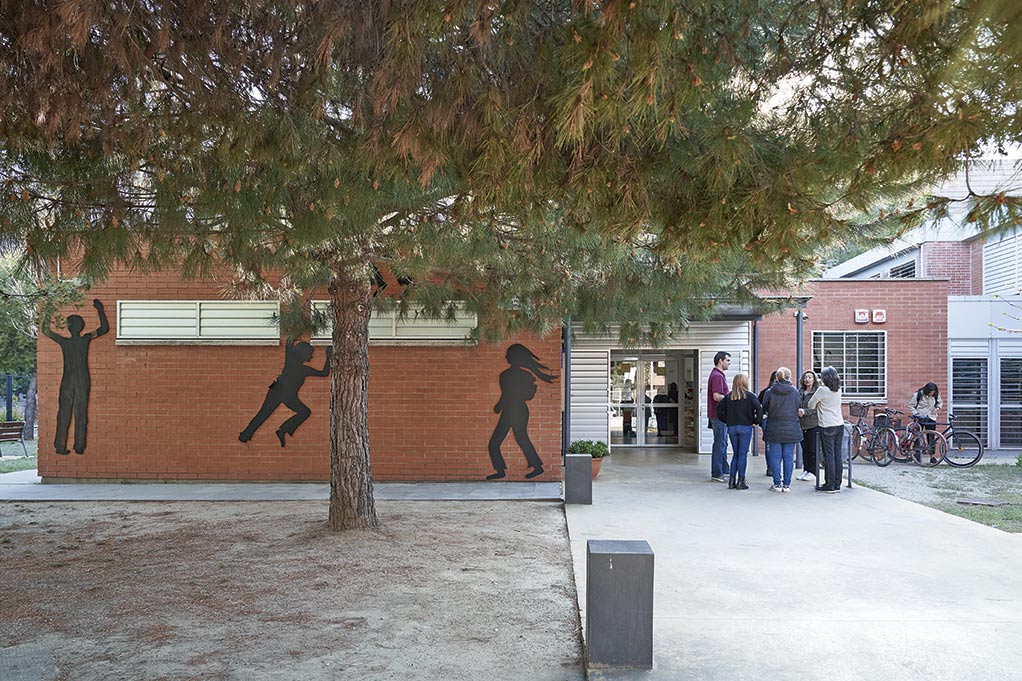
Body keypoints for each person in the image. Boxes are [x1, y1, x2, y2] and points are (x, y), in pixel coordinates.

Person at [43, 299, 109, 455]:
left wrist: (48, 309)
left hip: (68, 379)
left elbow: (46, 330)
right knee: (80, 412)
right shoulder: (85, 338)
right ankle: (79, 445)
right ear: (81, 327)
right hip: (82, 379)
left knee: (64, 412)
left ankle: (60, 446)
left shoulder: (64, 341)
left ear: (68, 327)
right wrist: (99, 309)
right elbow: (104, 328)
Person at [239, 338, 332, 446]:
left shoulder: (294, 363)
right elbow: (324, 373)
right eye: (310, 354)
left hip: (280, 391)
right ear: (303, 354)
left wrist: (296, 335)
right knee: (266, 414)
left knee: (264, 414)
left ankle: (280, 431)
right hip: (281, 392)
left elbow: (289, 343)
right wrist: (328, 355)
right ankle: (252, 434)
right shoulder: (301, 367)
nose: (312, 357)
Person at [486, 344, 555, 480]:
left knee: (513, 440)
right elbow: (506, 394)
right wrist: (500, 406)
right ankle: (533, 467)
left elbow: (506, 394)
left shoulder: (506, 375)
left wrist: (499, 406)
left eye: (508, 354)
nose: (506, 356)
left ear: (514, 357)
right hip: (514, 409)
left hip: (514, 410)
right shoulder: (520, 375)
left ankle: (505, 470)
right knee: (515, 440)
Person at [715, 373, 762, 490]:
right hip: (745, 427)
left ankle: (731, 481)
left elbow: (718, 409)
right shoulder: (750, 396)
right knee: (742, 454)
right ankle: (741, 481)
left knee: (735, 454)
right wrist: (755, 422)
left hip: (732, 427)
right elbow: (759, 410)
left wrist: (726, 420)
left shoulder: (729, 397)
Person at [761, 366, 801, 493]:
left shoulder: (769, 392)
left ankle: (777, 484)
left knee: (775, 456)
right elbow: (798, 406)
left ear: (777, 377)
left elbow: (765, 407)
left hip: (774, 427)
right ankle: (787, 485)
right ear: (789, 377)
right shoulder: (795, 392)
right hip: (791, 428)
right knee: (789, 457)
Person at [809, 366, 844, 493]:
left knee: (828, 455)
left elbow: (810, 405)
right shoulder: (838, 389)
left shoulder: (822, 390)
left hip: (827, 425)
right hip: (839, 424)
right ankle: (837, 483)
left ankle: (829, 484)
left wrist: (819, 404)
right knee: (837, 455)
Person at [707, 351, 731, 482]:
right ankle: (717, 473)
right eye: (727, 360)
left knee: (723, 442)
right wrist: (730, 399)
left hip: (719, 415)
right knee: (720, 443)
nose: (729, 363)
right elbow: (716, 396)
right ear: (720, 361)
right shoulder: (717, 376)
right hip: (718, 416)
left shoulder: (718, 375)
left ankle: (725, 470)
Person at [908, 381, 943, 463]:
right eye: (931, 392)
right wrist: (916, 414)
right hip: (920, 417)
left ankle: (932, 456)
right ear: (927, 391)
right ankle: (917, 455)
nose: (932, 394)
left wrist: (937, 408)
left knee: (931, 437)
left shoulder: (936, 395)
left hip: (931, 417)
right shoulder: (918, 395)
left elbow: (940, 402)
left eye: (933, 392)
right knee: (917, 436)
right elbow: (911, 406)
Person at [796, 371, 821, 482]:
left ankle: (813, 472)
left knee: (813, 449)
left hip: (813, 424)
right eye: (805, 377)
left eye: (810, 377)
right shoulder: (800, 392)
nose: (807, 379)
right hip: (802, 425)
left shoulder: (817, 392)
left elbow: (818, 408)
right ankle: (806, 470)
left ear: (814, 379)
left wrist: (805, 412)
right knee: (805, 449)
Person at [758, 371, 777, 477]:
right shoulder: (765, 392)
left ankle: (771, 468)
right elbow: (757, 406)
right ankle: (773, 468)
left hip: (770, 420)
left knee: (769, 445)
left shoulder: (765, 392)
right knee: (773, 445)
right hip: (775, 420)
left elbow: (758, 406)